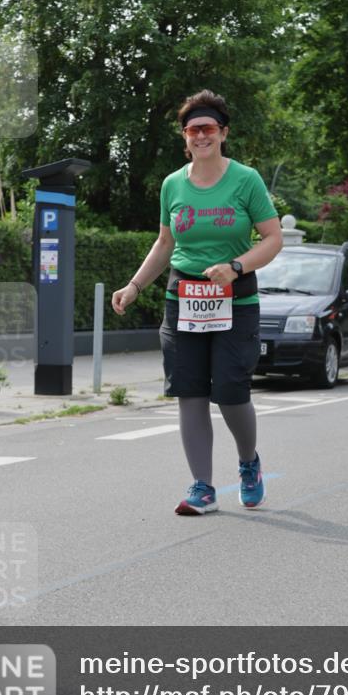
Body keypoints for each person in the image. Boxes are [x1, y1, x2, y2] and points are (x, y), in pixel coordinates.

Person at [111, 89, 282, 514]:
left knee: (230, 392)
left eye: (207, 128)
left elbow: (273, 238)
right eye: (192, 130)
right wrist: (134, 286)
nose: (200, 136)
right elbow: (165, 243)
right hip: (184, 297)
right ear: (184, 137)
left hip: (235, 298)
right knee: (189, 391)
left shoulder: (246, 179)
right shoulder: (173, 184)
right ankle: (202, 487)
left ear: (223, 133)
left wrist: (237, 267)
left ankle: (248, 463)